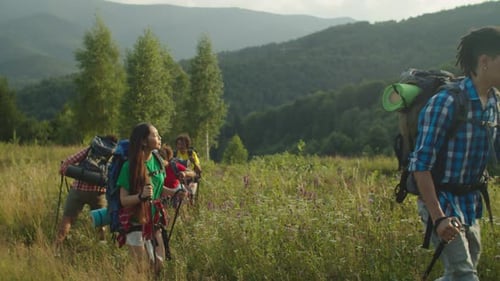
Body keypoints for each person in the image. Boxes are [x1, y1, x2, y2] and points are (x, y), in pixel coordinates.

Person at [408, 26, 500, 280]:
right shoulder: (446, 102)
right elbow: (420, 164)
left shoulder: (495, 103)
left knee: (459, 274)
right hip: (441, 202)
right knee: (464, 275)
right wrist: (438, 218)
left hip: (470, 203)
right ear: (484, 62)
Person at [117, 123, 167, 274]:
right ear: (144, 141)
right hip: (135, 222)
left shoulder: (157, 161)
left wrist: (175, 192)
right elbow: (123, 200)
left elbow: (158, 188)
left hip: (154, 221)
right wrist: (141, 196)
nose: (159, 138)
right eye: (155, 135)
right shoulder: (129, 167)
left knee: (159, 266)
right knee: (143, 268)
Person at [55, 136, 117, 251]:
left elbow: (69, 161)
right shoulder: (115, 153)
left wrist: (63, 169)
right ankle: (102, 248)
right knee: (101, 223)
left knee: (67, 219)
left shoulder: (92, 148)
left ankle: (57, 248)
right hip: (99, 192)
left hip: (79, 189)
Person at [174, 134, 202, 203]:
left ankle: (191, 212)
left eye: (182, 144)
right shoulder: (175, 154)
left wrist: (194, 162)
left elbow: (199, 170)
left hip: (191, 178)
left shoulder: (191, 153)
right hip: (180, 178)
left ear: (187, 144)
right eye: (179, 144)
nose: (180, 146)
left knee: (191, 197)